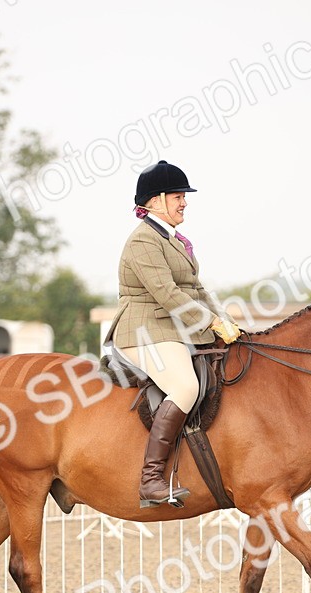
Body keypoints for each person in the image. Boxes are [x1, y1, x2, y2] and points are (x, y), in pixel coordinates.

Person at [104, 160, 242, 508]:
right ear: (155, 201)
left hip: (174, 329)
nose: (184, 203)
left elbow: (197, 289)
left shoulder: (174, 241)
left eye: (184, 197)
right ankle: (150, 479)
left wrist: (225, 321)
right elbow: (168, 293)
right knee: (185, 386)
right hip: (144, 331)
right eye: (178, 196)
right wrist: (210, 322)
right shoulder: (143, 242)